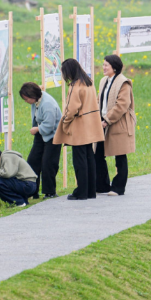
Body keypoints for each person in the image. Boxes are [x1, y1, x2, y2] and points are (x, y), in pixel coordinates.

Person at [53, 58, 104, 201]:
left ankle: (81, 192)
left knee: (79, 161)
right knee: (89, 159)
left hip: (79, 126)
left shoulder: (75, 86)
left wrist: (65, 123)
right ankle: (90, 191)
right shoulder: (89, 82)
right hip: (91, 125)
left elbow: (71, 109)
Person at [94, 55, 136, 196]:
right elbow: (99, 99)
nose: (104, 67)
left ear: (115, 67)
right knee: (97, 153)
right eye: (103, 64)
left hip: (117, 123)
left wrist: (107, 120)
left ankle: (118, 187)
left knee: (120, 155)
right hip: (102, 122)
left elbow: (122, 105)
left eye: (107, 65)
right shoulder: (103, 81)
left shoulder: (124, 83)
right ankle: (102, 185)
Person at [19, 82, 62, 199]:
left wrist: (37, 129)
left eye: (26, 98)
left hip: (53, 135)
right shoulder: (36, 100)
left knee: (48, 163)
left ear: (33, 96)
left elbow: (49, 125)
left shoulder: (47, 104)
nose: (26, 101)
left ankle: (50, 192)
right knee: (32, 161)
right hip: (40, 133)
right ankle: (33, 191)